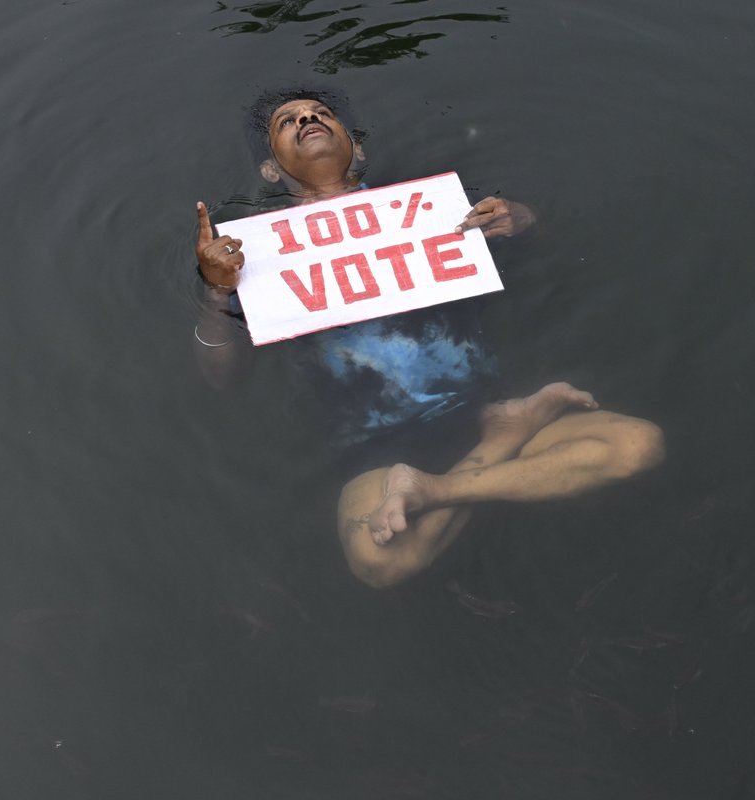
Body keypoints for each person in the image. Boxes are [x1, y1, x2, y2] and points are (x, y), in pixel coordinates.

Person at [192, 88, 665, 588]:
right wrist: (216, 293)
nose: (308, 117)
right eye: (288, 121)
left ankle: (439, 489)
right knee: (380, 563)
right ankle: (503, 444)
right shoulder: (250, 255)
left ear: (358, 147)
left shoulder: (436, 211)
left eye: (322, 113)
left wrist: (519, 219)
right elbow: (220, 376)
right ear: (270, 169)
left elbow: (550, 248)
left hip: (480, 405)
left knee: (639, 444)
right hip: (378, 445)